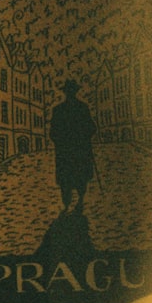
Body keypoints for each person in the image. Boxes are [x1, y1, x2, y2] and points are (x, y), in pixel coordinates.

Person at [49, 78, 97, 214]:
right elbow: (92, 128)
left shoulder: (58, 110)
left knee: (68, 179)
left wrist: (61, 142)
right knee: (79, 177)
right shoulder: (82, 107)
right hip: (79, 149)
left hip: (66, 151)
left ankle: (67, 204)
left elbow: (53, 133)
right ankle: (78, 201)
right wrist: (84, 137)